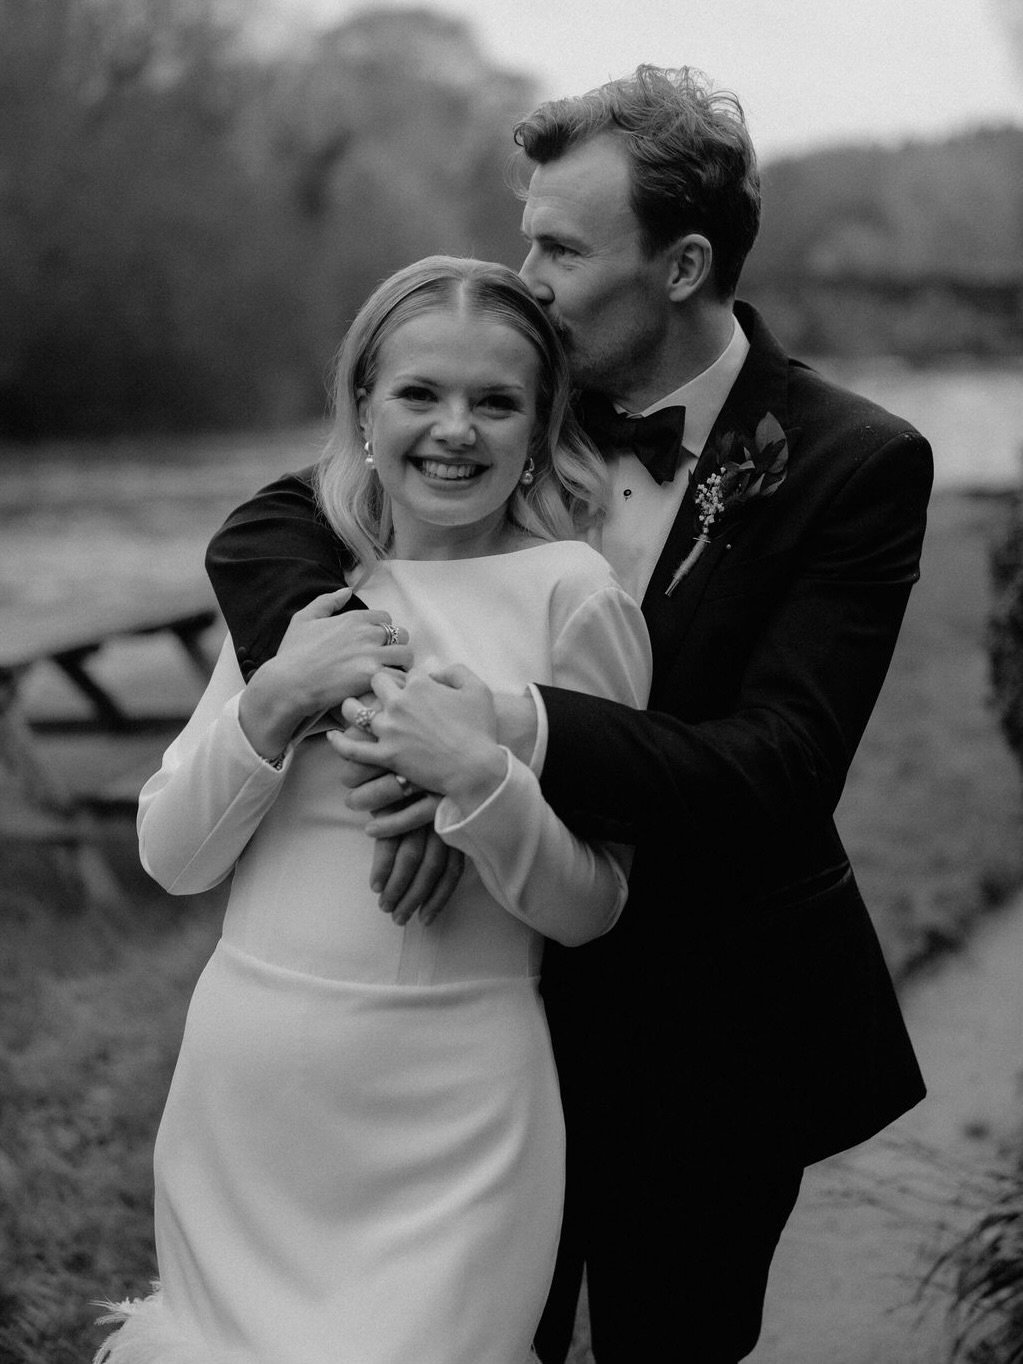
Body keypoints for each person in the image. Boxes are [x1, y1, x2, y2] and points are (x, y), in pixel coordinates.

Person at [202, 66, 933, 1363]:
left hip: (711, 1031)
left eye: (557, 245)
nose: (520, 273)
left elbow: (775, 769)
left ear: (680, 263)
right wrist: (398, 735)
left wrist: (499, 729)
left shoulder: (852, 463)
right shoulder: (507, 397)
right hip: (480, 1008)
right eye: (522, 233)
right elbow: (268, 527)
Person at [92, 256, 652, 1364]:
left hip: (458, 1107)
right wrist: (276, 698)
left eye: (495, 402)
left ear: (541, 424)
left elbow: (593, 905)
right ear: (362, 402)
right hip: (249, 1094)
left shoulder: (574, 594)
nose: (456, 430)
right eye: (419, 394)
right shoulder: (308, 590)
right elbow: (171, 855)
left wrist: (479, 786)